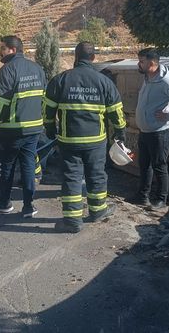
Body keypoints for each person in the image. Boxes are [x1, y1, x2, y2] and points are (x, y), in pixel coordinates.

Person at [44, 42, 127, 233]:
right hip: (96, 141)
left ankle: (72, 221)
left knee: (71, 177)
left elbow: (47, 110)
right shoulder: (104, 82)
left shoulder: (60, 80)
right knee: (96, 175)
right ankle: (98, 211)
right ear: (93, 58)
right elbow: (116, 112)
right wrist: (120, 132)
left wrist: (49, 128)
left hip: (68, 140)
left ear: (75, 56)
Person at [0, 35, 47, 218]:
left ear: (12, 50)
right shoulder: (38, 69)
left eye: (2, 48)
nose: (0, 51)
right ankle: (28, 206)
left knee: (7, 166)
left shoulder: (7, 71)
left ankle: (4, 202)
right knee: (28, 166)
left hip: (12, 130)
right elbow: (43, 99)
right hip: (34, 128)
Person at [126, 48, 169, 210]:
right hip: (145, 131)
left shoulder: (166, 82)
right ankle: (143, 196)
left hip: (160, 132)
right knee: (144, 164)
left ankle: (161, 199)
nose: (139, 65)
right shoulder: (147, 78)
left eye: (142, 61)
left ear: (152, 63)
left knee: (159, 166)